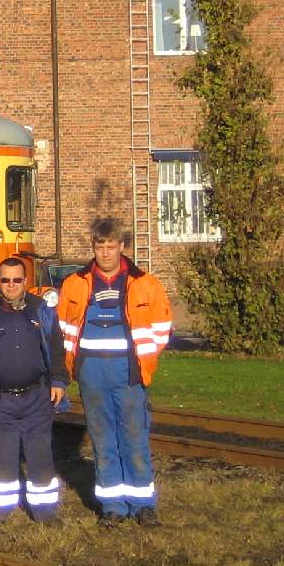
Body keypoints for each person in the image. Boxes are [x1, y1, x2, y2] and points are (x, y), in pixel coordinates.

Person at [57, 218, 173, 527]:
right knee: (103, 439)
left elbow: (161, 329)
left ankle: (143, 505)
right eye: (100, 247)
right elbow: (62, 328)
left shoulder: (145, 283)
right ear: (92, 248)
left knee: (134, 437)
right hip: (91, 374)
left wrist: (143, 359)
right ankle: (112, 506)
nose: (106, 253)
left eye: (112, 246)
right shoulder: (75, 284)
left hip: (128, 373)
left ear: (122, 247)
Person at [0, 256, 69, 528]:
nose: (11, 285)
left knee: (40, 457)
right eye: (5, 280)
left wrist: (58, 381)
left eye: (17, 280)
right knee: (3, 461)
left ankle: (45, 514)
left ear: (25, 282)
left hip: (37, 398)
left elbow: (56, 350)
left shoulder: (42, 311)